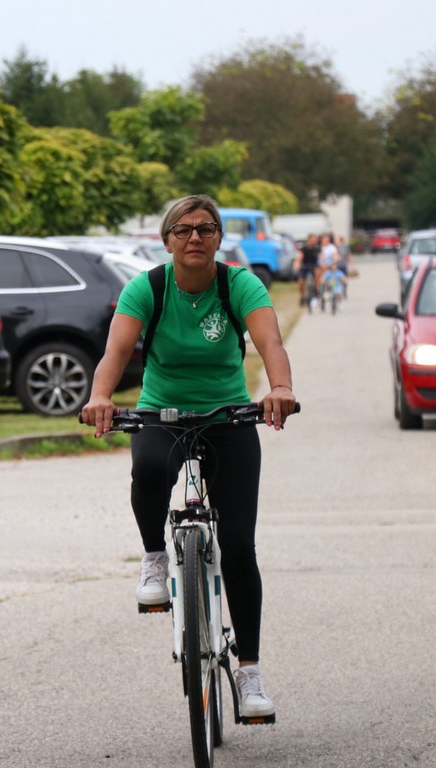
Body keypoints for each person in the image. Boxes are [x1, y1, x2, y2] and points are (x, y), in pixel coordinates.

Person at [79, 194, 297, 721]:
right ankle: (154, 554)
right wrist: (101, 397)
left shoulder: (238, 284)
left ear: (220, 238)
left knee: (240, 549)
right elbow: (115, 353)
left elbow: (269, 342)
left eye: (206, 229)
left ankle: (250, 674)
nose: (194, 237)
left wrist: (281, 387)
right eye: (183, 230)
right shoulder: (147, 288)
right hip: (163, 411)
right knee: (150, 469)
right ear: (167, 239)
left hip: (228, 416)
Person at [294, 234, 320, 309]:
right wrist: (297, 264)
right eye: (312, 240)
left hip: (314, 266)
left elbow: (321, 257)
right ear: (308, 240)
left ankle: (315, 288)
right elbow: (299, 258)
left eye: (314, 241)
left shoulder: (317, 249)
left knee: (317, 272)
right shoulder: (303, 249)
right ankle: (302, 297)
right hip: (304, 266)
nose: (313, 242)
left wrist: (324, 262)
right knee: (301, 282)